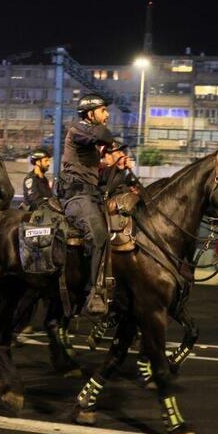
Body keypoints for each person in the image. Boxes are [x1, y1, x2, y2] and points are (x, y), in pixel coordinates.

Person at [57, 93, 123, 317]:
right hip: (76, 197)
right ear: (89, 113)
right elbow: (104, 135)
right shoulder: (78, 129)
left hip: (92, 196)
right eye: (103, 110)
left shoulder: (92, 138)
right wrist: (110, 146)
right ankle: (95, 292)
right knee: (99, 235)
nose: (107, 114)